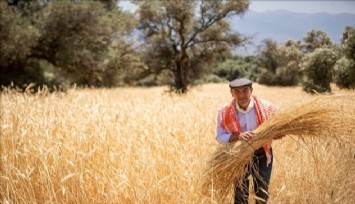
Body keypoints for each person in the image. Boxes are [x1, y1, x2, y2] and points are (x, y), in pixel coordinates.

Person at [216, 78, 282, 204]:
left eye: (245, 90)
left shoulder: (266, 107)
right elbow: (219, 136)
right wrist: (238, 136)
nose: (241, 95)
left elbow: (278, 128)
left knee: (262, 195)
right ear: (232, 93)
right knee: (240, 195)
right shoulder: (224, 112)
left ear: (251, 90)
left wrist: (277, 134)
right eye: (237, 92)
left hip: (262, 154)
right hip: (239, 156)